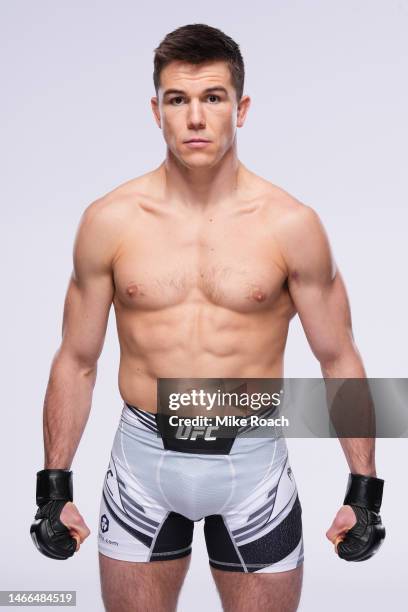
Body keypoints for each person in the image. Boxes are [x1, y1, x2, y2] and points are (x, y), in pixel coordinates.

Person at [30, 24, 385, 612]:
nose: (195, 117)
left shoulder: (291, 225)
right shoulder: (110, 221)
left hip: (255, 466)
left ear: (240, 109)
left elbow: (339, 356)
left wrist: (365, 492)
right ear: (157, 111)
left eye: (213, 98)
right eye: (178, 99)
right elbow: (77, 359)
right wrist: (52, 488)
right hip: (142, 465)